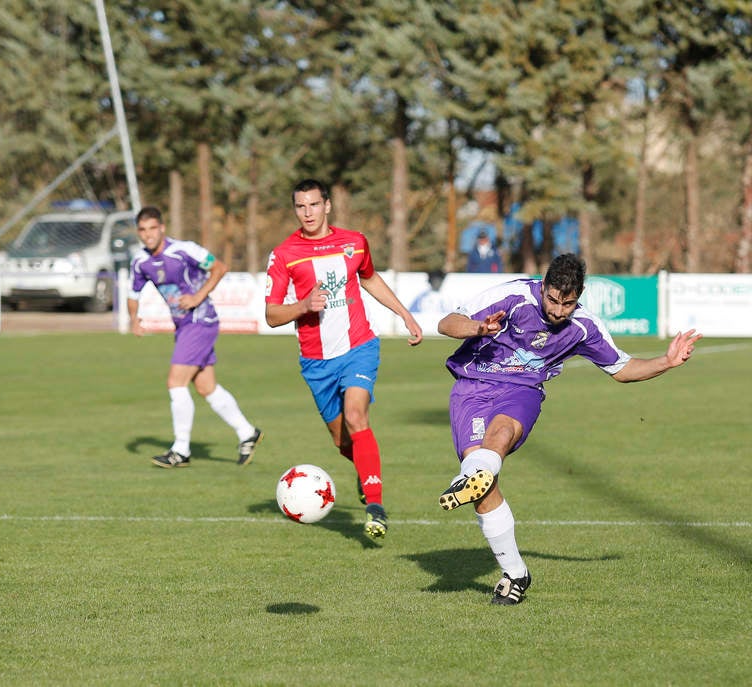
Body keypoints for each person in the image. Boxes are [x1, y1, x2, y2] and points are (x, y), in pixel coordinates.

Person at [436, 253, 701, 605]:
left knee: (498, 437)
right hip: (472, 388)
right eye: (553, 300)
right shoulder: (513, 296)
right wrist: (479, 328)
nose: (559, 311)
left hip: (521, 390)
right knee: (483, 489)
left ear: (580, 296)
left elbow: (622, 369)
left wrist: (667, 361)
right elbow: (447, 323)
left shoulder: (584, 327)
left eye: (568, 303)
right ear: (543, 286)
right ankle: (515, 572)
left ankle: (471, 476)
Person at [265, 179, 423, 541]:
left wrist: (405, 315)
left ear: (327, 205)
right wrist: (303, 306)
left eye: (314, 205)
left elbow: (370, 278)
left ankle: (375, 506)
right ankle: (365, 470)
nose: (308, 213)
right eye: (301, 206)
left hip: (359, 346)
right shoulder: (284, 254)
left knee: (356, 415)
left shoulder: (355, 242)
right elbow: (272, 315)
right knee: (343, 442)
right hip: (316, 361)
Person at [127, 206, 263, 468]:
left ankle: (181, 450)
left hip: (200, 320)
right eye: (143, 230)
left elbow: (219, 268)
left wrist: (198, 297)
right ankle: (247, 432)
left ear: (162, 228)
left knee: (175, 382)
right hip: (183, 326)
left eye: (153, 228)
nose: (148, 234)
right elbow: (133, 295)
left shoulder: (184, 250)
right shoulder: (140, 261)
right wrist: (134, 319)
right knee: (205, 387)